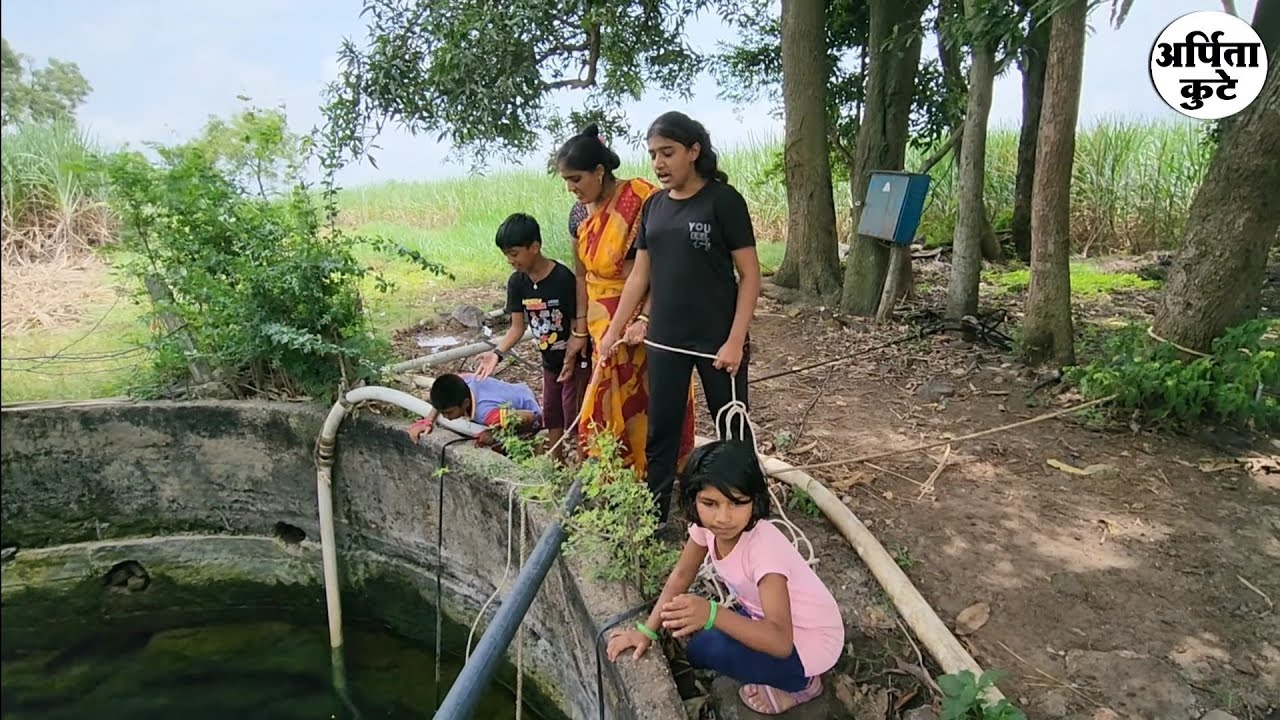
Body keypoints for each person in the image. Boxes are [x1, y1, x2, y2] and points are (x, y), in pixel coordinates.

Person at [600, 111, 763, 522]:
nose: (658, 163)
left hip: (717, 339)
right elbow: (640, 276)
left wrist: (734, 340)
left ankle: (747, 512)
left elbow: (750, 275)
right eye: (653, 154)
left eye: (667, 152)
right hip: (665, 340)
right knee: (663, 431)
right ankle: (656, 514)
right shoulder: (654, 207)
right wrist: (614, 331)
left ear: (694, 151)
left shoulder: (723, 201)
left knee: (732, 427)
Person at [605, 440, 843, 715]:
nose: (723, 517)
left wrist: (712, 612)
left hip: (809, 640)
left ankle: (803, 685)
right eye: (710, 503)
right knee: (699, 651)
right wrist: (646, 632)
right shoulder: (707, 527)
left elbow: (780, 641)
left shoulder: (764, 552)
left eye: (736, 503)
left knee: (708, 652)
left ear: (754, 501)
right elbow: (682, 573)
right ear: (694, 499)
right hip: (764, 614)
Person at [556, 123, 695, 475]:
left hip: (642, 314)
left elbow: (657, 269)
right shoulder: (578, 216)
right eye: (566, 182)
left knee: (648, 395)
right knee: (603, 398)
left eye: (576, 179)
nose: (572, 188)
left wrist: (643, 317)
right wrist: (580, 330)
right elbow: (581, 274)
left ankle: (656, 473)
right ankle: (612, 477)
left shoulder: (641, 200)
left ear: (599, 172)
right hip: (602, 320)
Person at [473, 213, 590, 455]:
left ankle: (582, 460)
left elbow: (578, 317)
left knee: (575, 411)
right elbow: (517, 327)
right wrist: (497, 353)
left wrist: (574, 348)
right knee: (552, 412)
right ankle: (556, 461)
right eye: (506, 254)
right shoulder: (518, 283)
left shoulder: (562, 278)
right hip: (549, 362)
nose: (510, 260)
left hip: (575, 359)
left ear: (534, 247)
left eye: (514, 253)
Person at [407, 372, 541, 448]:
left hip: (531, 414)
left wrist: (494, 432)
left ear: (465, 403)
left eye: (449, 412)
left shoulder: (486, 413)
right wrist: (428, 421)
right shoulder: (462, 381)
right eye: (442, 412)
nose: (446, 417)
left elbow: (529, 417)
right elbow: (444, 391)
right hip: (516, 391)